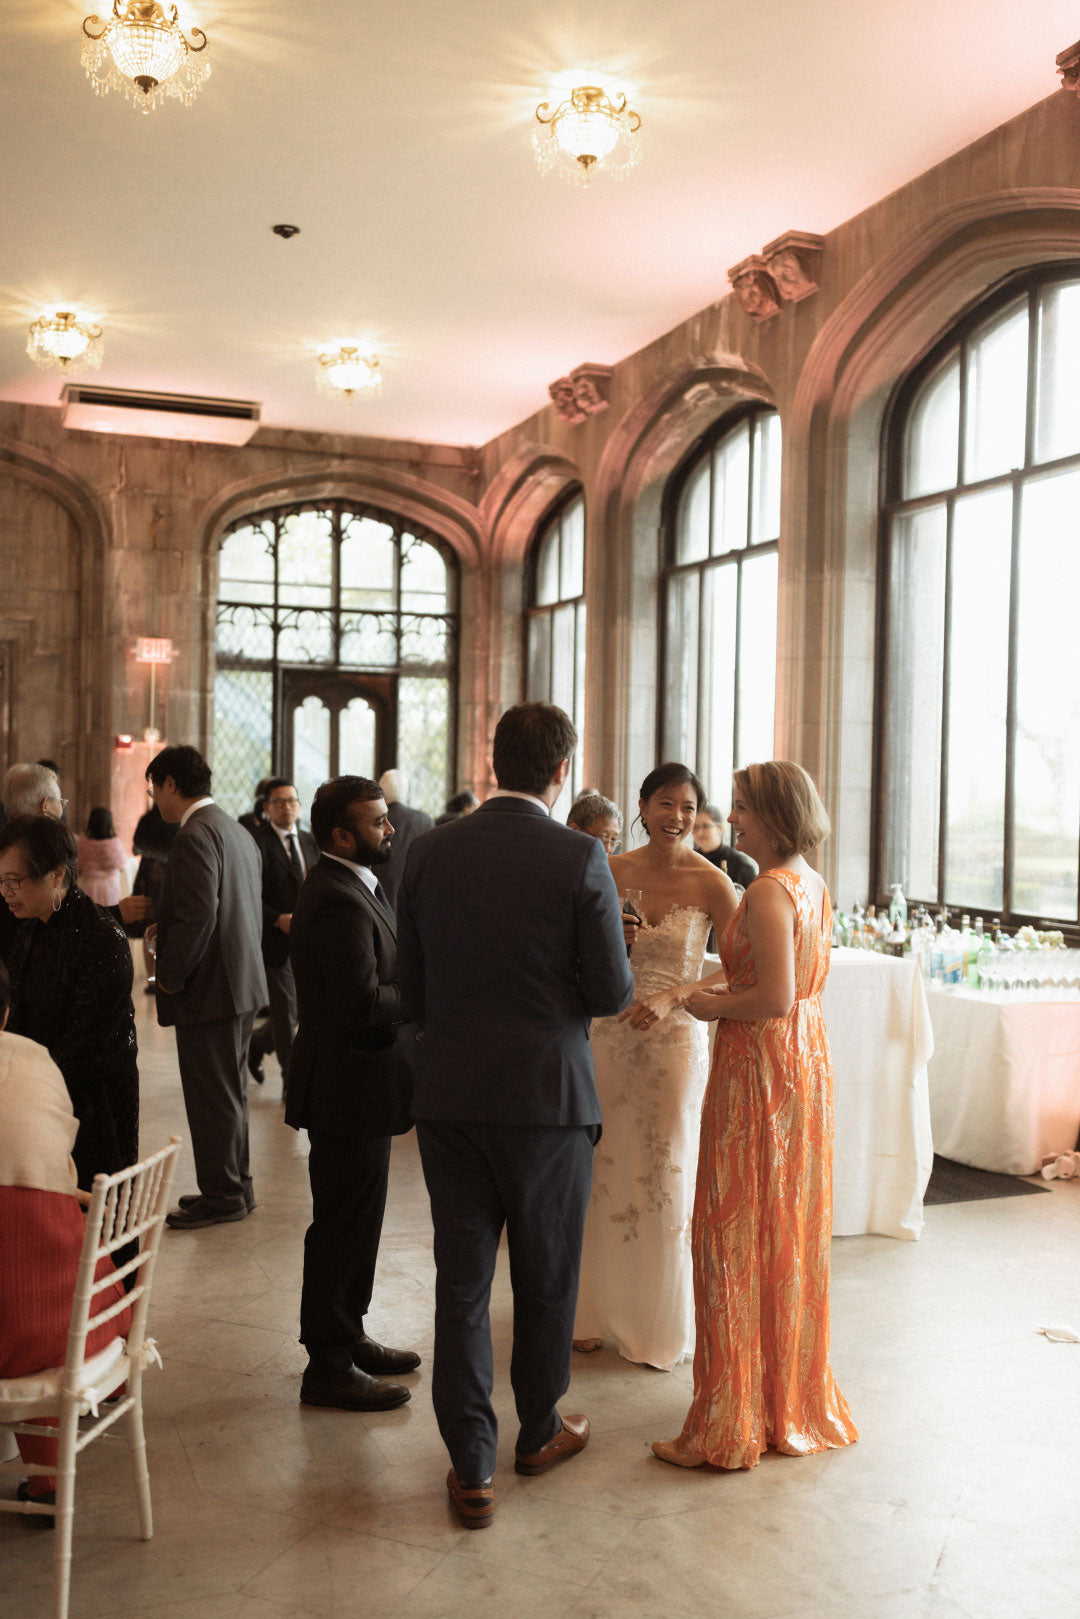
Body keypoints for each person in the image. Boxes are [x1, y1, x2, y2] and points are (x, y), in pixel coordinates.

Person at [397, 701, 633, 1530]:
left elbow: (411, 989)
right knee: (546, 1274)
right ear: (562, 770)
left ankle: (470, 1466)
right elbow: (611, 991)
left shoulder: (427, 851)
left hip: (452, 1095)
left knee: (461, 1283)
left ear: (496, 761)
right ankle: (537, 1431)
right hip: (547, 1100)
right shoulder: (580, 856)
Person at [652, 761, 858, 1471]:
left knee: (732, 1225)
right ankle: (781, 1400)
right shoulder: (811, 881)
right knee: (784, 1227)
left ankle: (729, 1416)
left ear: (773, 815)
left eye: (741, 809)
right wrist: (698, 986)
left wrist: (703, 1003)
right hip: (803, 1062)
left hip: (760, 1069)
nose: (731, 820)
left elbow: (766, 996)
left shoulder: (770, 891)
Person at [573, 764, 738, 1369]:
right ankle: (589, 1309)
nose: (677, 817)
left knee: (664, 1169)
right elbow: (572, 951)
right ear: (641, 807)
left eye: (688, 807)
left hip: (673, 1043)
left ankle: (656, 1322)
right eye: (665, 804)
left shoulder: (714, 882)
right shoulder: (610, 871)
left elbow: (743, 964)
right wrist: (611, 942)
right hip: (609, 1034)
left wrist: (677, 994)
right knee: (600, 1164)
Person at [286, 776, 420, 1414]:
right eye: (376, 823)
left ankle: (350, 1334)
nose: (389, 829)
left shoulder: (355, 883)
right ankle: (328, 1365)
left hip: (361, 1084)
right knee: (341, 1224)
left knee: (358, 1219)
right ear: (341, 835)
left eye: (386, 819)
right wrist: (425, 995)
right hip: (347, 1087)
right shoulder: (337, 896)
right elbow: (361, 1002)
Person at [0, 960, 131, 1519]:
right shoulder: (36, 1057)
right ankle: (45, 1479)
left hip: (17, 1329)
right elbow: (64, 1154)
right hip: (82, 1317)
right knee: (36, 1247)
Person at [146, 745, 267, 1231]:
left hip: (210, 988)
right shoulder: (235, 830)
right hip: (237, 981)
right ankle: (236, 1184)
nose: (155, 799)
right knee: (230, 1092)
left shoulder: (195, 834)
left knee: (212, 1096)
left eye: (155, 788)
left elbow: (200, 916)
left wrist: (169, 976)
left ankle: (224, 1195)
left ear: (171, 784)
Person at [0, 815, 139, 1191]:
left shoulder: (101, 938)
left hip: (95, 1104)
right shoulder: (29, 928)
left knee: (96, 1221)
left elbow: (88, 1039)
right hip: (45, 1093)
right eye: (1, 881)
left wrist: (32, 1083)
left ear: (58, 874)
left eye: (15, 881)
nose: (6, 892)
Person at [247, 779, 318, 1095]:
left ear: (300, 806)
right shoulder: (257, 844)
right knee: (287, 1011)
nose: (287, 807)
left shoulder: (310, 841)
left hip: (312, 940)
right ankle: (294, 1081)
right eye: (279, 802)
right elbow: (247, 894)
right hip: (276, 941)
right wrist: (276, 919)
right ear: (266, 808)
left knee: (304, 1010)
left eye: (292, 800)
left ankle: (258, 1043)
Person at [128, 803, 178, 990]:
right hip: (170, 876)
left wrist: (152, 855)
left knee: (148, 928)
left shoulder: (146, 820)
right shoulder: (176, 821)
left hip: (148, 877)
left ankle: (152, 979)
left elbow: (136, 848)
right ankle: (165, 978)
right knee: (168, 927)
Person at [376, 768, 433, 911]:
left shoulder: (373, 820)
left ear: (381, 791)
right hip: (413, 902)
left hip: (377, 900)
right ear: (405, 792)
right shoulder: (424, 821)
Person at [693, 801, 757, 890]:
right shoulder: (690, 859)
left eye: (705, 826)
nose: (699, 832)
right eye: (695, 827)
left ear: (720, 828)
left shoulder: (740, 864)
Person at [76, 806, 128, 909]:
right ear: (109, 823)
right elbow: (122, 866)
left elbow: (79, 868)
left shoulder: (82, 843)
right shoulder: (115, 844)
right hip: (109, 887)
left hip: (87, 885)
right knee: (109, 917)